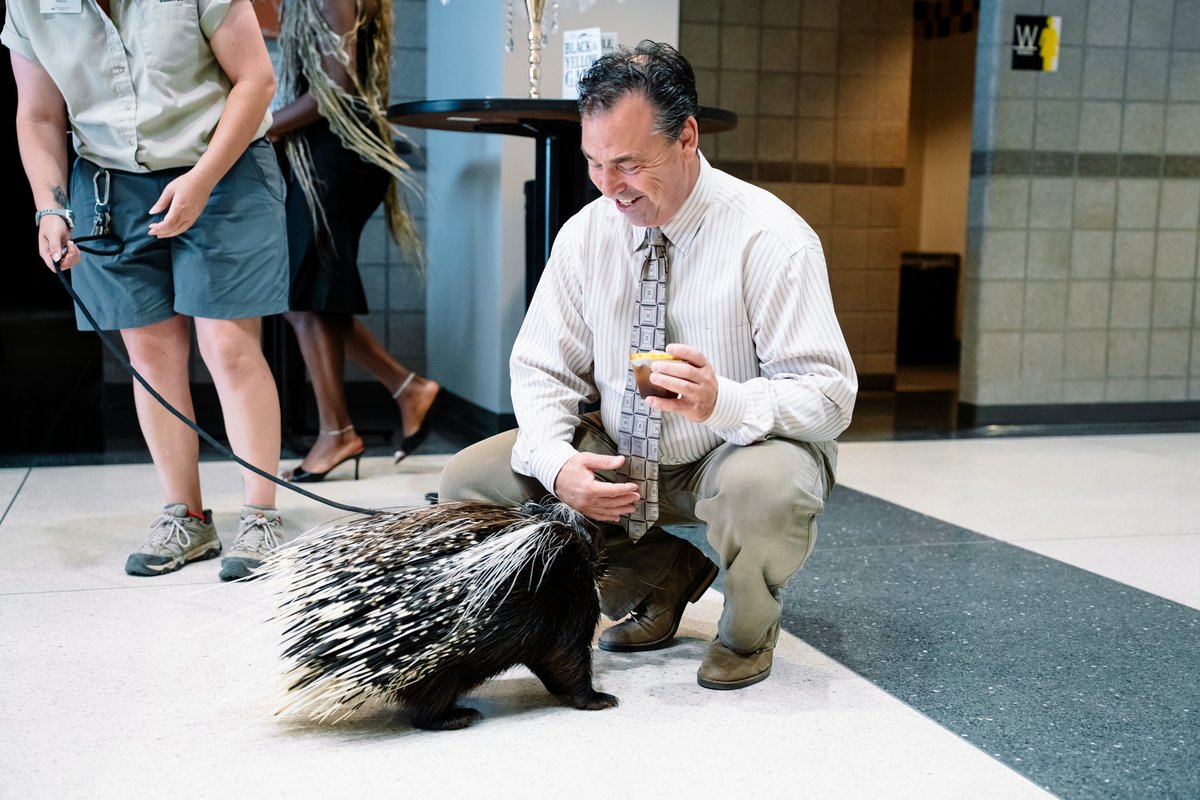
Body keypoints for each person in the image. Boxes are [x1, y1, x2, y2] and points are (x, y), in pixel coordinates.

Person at [439, 41, 857, 690]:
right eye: (594, 163)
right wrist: (556, 462)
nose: (609, 187)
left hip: (729, 451)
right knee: (473, 479)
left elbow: (830, 398)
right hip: (623, 450)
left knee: (764, 491)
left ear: (687, 136)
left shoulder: (771, 238)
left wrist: (725, 402)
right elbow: (543, 369)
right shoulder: (587, 234)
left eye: (628, 164)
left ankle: (747, 636)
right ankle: (662, 576)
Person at [5, 0, 290, 581]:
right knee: (151, 354)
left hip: (224, 170)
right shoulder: (29, 5)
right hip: (110, 186)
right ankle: (185, 517)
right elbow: (37, 115)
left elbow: (256, 80)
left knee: (229, 347)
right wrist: (50, 209)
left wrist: (202, 179)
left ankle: (261, 515)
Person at [268, 0, 439, 483]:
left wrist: (259, 127)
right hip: (329, 153)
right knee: (304, 297)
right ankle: (406, 389)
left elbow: (335, 89)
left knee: (304, 297)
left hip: (335, 155)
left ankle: (338, 432)